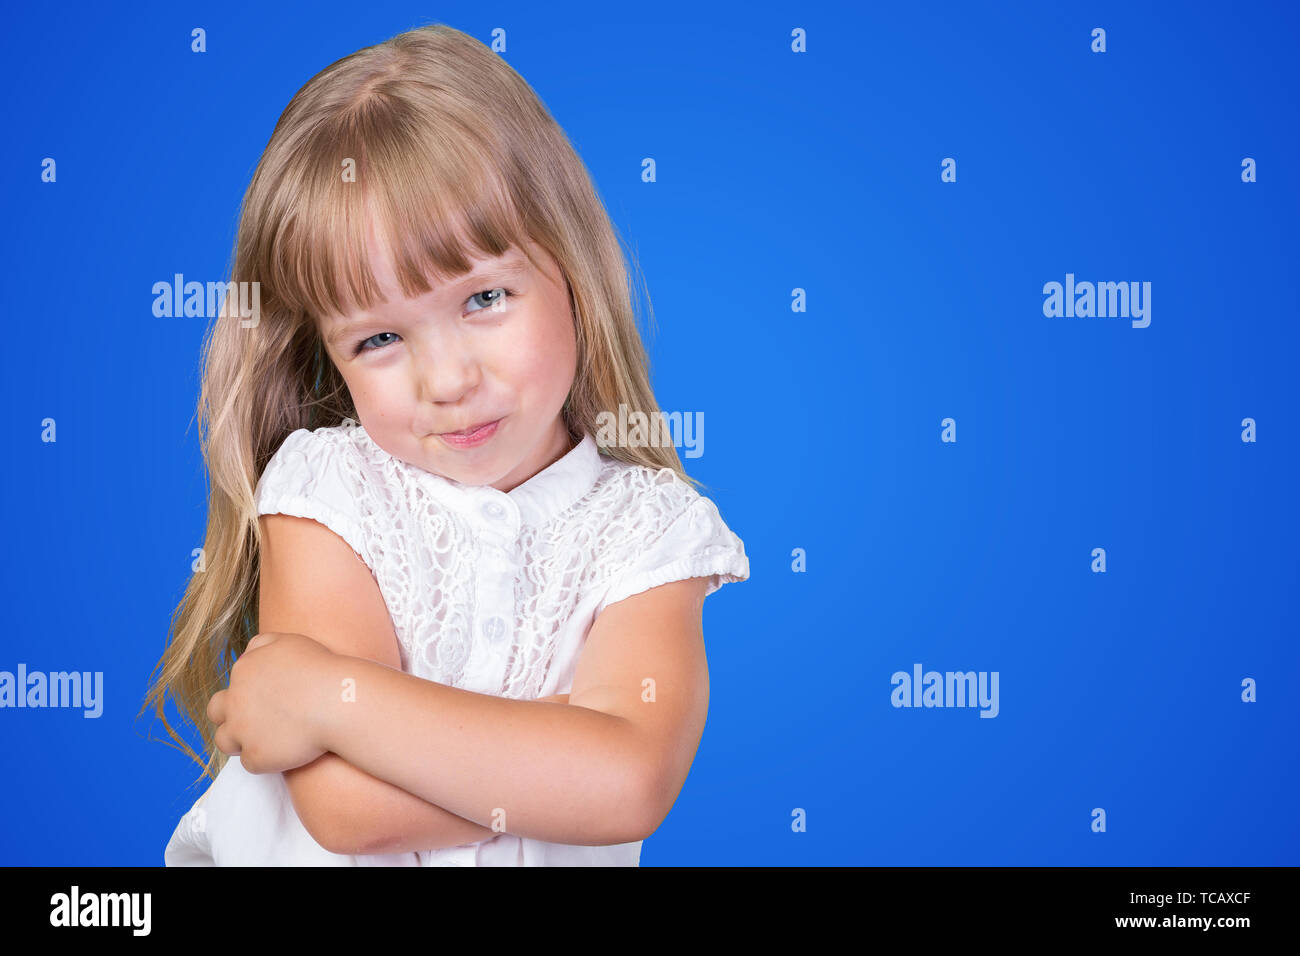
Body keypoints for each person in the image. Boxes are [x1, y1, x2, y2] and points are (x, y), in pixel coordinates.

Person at [141, 23, 749, 866]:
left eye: (484, 297)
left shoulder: (650, 534)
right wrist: (559, 764)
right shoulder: (328, 491)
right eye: (379, 340)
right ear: (328, 352)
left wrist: (325, 700)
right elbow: (348, 809)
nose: (447, 379)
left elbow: (629, 784)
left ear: (571, 267)